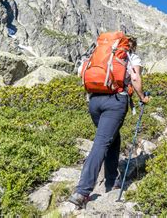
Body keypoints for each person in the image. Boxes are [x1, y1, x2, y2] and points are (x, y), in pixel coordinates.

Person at [69, 35, 150, 209]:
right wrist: (142, 97)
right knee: (101, 143)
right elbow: (135, 78)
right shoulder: (129, 56)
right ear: (130, 45)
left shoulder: (100, 53)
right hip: (115, 102)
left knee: (113, 138)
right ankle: (82, 191)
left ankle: (111, 181)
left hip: (94, 101)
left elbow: (80, 71)